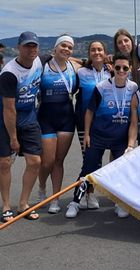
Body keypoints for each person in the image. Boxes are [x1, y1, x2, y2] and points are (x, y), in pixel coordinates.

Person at [65, 53, 137, 219]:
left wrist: (131, 143)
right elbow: (89, 112)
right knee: (88, 169)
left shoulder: (133, 88)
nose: (121, 71)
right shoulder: (102, 87)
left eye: (125, 68)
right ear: (113, 68)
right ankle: (75, 202)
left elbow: (134, 118)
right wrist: (87, 134)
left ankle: (120, 203)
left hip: (120, 138)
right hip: (98, 135)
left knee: (121, 171)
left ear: (130, 69)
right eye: (117, 67)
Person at [0, 32, 43, 222]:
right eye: (27, 46)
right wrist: (14, 139)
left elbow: (61, 54)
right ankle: (7, 205)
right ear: (19, 47)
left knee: (35, 162)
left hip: (29, 118)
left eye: (34, 46)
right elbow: (9, 109)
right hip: (6, 119)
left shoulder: (39, 61)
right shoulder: (9, 73)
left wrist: (86, 63)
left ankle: (24, 204)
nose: (31, 49)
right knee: (4, 163)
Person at [37, 35, 80, 214]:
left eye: (70, 47)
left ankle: (55, 199)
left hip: (67, 119)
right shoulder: (42, 66)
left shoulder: (74, 67)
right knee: (47, 161)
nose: (66, 49)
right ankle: (41, 188)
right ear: (55, 48)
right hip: (45, 118)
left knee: (59, 161)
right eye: (63, 45)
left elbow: (92, 65)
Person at [74, 40, 111, 209]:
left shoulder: (111, 72)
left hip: (103, 123)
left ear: (105, 53)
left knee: (97, 161)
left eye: (100, 49)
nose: (97, 52)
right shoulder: (81, 72)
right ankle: (84, 195)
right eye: (93, 50)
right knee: (88, 160)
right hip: (84, 122)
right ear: (89, 53)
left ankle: (90, 193)